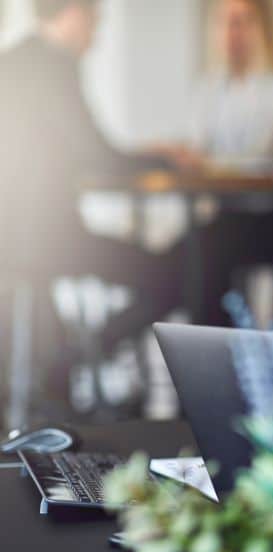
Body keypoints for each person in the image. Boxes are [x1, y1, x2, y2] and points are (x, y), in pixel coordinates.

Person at [0, 0, 183, 355]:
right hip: (50, 242)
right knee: (176, 275)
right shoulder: (55, 67)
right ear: (73, 12)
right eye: (95, 22)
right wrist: (166, 159)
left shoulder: (9, 62)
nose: (96, 37)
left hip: (9, 242)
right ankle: (89, 350)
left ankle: (65, 363)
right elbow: (98, 157)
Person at [151, 0, 273, 327]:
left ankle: (92, 345)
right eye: (225, 22)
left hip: (270, 220)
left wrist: (202, 161)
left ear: (262, 28)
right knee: (173, 265)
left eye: (243, 22)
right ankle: (98, 342)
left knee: (195, 261)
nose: (233, 33)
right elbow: (196, 145)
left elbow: (263, 156)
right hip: (224, 218)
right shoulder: (208, 89)